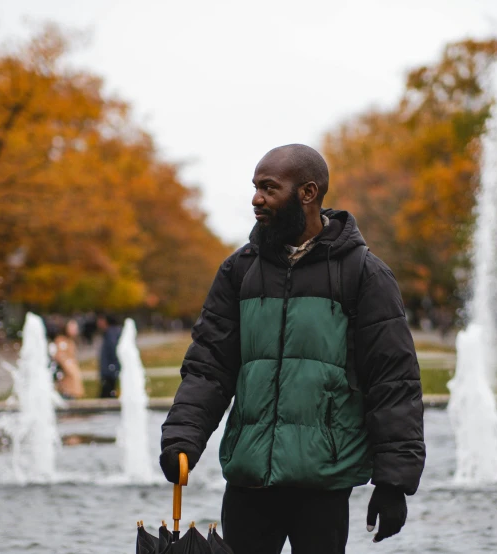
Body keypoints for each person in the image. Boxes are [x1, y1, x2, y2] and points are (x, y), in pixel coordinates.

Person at [159, 144, 425, 554]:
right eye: (255, 187)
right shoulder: (239, 270)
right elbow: (208, 367)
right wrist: (183, 437)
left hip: (323, 481)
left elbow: (393, 380)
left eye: (269, 188)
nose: (256, 198)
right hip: (248, 479)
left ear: (307, 193)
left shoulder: (364, 272)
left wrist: (394, 481)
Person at [53, 319, 85, 400]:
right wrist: (73, 372)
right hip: (66, 380)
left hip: (70, 378)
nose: (75, 330)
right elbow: (61, 358)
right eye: (73, 327)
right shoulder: (62, 341)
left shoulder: (70, 341)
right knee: (67, 401)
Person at [97, 314, 122, 398]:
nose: (98, 323)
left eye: (100, 320)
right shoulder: (110, 332)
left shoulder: (111, 333)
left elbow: (113, 351)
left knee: (106, 398)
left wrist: (112, 369)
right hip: (110, 371)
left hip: (109, 373)